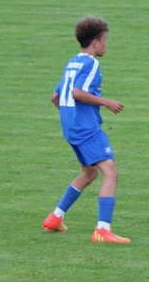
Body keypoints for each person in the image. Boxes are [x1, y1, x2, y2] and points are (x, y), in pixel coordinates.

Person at [43, 16, 130, 244]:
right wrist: (107, 102)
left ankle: (55, 217)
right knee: (110, 172)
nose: (106, 45)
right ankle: (103, 229)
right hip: (86, 129)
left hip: (71, 128)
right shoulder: (91, 64)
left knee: (90, 173)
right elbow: (77, 93)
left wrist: (69, 117)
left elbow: (55, 96)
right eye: (105, 40)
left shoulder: (73, 62)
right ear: (95, 43)